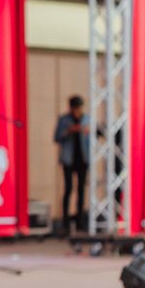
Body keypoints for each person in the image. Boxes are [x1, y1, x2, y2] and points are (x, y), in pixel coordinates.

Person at [54, 94, 90, 233]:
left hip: (82, 158)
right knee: (68, 189)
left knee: (81, 189)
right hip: (69, 159)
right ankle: (65, 220)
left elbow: (95, 135)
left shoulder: (86, 119)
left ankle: (80, 219)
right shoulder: (64, 120)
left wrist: (87, 132)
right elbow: (57, 137)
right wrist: (69, 131)